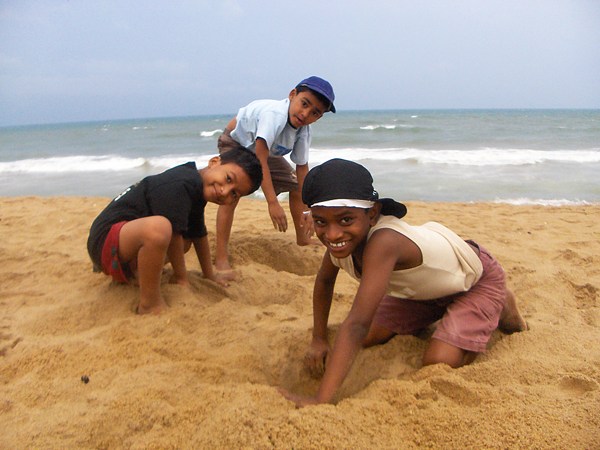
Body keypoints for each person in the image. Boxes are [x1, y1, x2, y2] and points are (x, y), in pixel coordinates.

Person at [280, 158, 527, 406]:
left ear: (372, 214)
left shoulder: (384, 242)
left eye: (345, 220)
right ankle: (440, 311)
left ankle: (501, 301)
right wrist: (319, 338)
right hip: (422, 291)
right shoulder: (340, 243)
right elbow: (324, 282)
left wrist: (321, 400)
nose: (333, 234)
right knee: (369, 337)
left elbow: (356, 324)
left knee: (439, 360)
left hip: (474, 277)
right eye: (321, 222)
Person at [86, 146, 262, 315]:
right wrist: (181, 278)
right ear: (214, 162)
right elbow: (173, 235)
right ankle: (149, 305)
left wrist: (209, 275)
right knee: (160, 229)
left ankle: (138, 272)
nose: (225, 191)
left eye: (234, 194)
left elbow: (198, 234)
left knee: (185, 241)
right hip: (105, 241)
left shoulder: (197, 188)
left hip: (122, 247)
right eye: (229, 179)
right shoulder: (182, 182)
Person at [215, 76, 336, 277]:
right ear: (292, 95)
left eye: (315, 113)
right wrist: (273, 203)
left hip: (263, 150)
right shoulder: (274, 115)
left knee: (296, 186)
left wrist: (308, 210)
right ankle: (220, 256)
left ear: (319, 117)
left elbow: (302, 169)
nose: (305, 114)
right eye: (304, 104)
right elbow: (260, 160)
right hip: (237, 142)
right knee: (231, 194)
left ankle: (303, 238)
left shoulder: (304, 130)